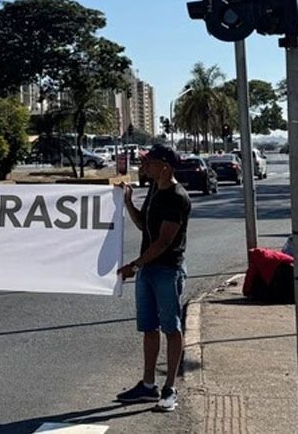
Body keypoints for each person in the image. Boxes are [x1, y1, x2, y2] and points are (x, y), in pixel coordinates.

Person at [115, 144, 191, 412]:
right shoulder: (154, 191)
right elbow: (143, 225)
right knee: (149, 328)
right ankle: (148, 386)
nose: (144, 166)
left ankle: (169, 388)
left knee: (171, 327)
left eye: (149, 162)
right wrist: (127, 202)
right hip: (147, 269)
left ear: (165, 166)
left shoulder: (178, 198)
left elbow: (163, 242)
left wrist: (133, 267)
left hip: (166, 270)